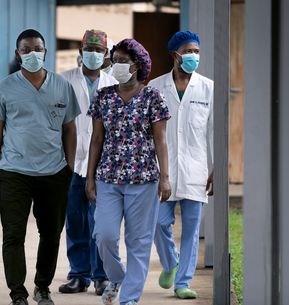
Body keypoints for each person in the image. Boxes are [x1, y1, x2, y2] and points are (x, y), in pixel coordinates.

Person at [0, 29, 80, 305]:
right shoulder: (4, 88)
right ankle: (17, 294)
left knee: (51, 234)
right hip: (14, 173)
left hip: (54, 173)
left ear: (46, 52)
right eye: (26, 49)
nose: (32, 54)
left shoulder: (62, 86)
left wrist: (69, 168)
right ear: (18, 54)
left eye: (37, 48)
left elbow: (70, 129)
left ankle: (42, 287)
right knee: (13, 235)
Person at [86, 38, 171, 305]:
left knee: (139, 242)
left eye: (123, 61)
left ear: (137, 65)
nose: (117, 65)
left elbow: (160, 140)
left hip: (144, 180)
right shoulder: (104, 96)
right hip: (108, 178)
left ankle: (129, 299)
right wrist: (89, 177)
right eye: (116, 60)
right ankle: (118, 277)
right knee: (104, 235)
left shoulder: (153, 97)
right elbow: (96, 139)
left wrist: (165, 177)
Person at [148, 30, 214, 300]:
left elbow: (213, 130)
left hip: (197, 168)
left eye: (197, 52)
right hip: (162, 168)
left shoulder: (208, 87)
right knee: (157, 222)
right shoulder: (155, 87)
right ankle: (171, 263)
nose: (193, 56)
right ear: (175, 55)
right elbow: (148, 130)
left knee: (191, 228)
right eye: (189, 51)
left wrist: (216, 166)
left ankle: (182, 282)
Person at [58, 29, 117, 296]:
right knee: (74, 219)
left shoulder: (113, 84)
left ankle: (100, 276)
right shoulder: (63, 81)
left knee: (99, 222)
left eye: (98, 50)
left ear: (106, 55)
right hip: (70, 161)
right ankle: (78, 274)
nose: (93, 54)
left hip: (102, 163)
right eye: (88, 49)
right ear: (80, 52)